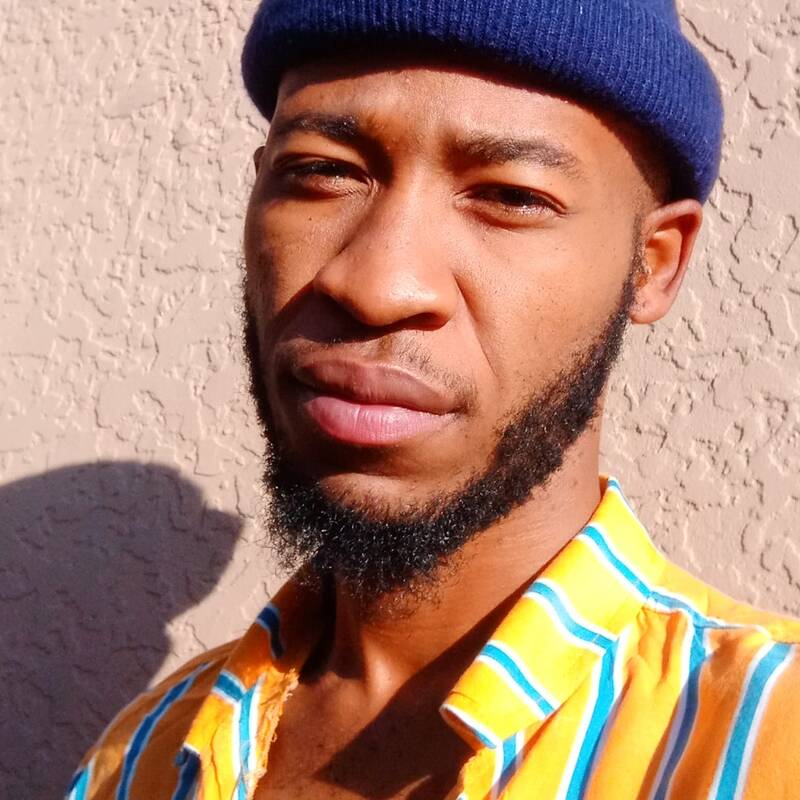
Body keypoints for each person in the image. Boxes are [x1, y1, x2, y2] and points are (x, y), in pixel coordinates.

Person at [67, 1, 800, 798]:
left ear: (653, 264)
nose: (377, 285)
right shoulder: (136, 761)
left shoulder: (771, 735)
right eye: (321, 172)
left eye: (511, 196)